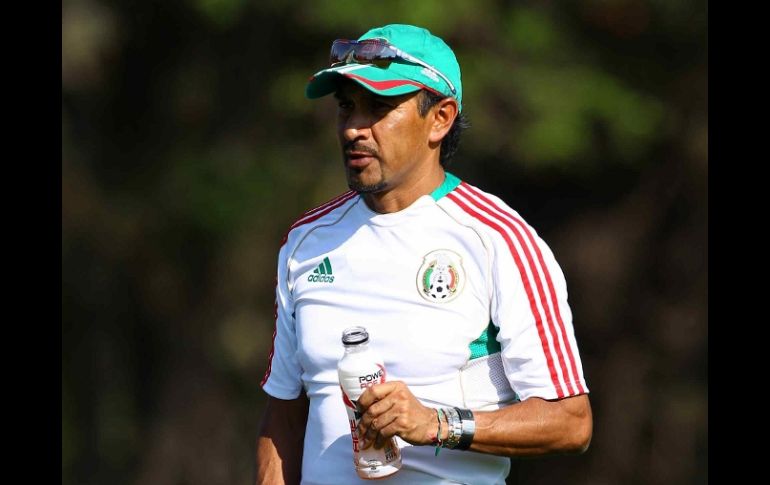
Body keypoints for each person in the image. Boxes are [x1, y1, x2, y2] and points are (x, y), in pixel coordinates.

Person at [256, 24, 592, 485]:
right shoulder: (306, 240)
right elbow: (285, 414)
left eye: (379, 108)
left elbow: (570, 421)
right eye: (346, 107)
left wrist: (435, 424)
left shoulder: (499, 238)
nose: (355, 127)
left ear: (441, 118)